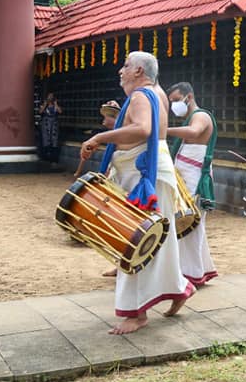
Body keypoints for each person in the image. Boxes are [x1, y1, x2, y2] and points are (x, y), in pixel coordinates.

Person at [79, 51, 193, 334]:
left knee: (134, 241)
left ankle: (137, 314)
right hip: (152, 172)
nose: (121, 70)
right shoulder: (157, 93)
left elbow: (143, 129)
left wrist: (99, 137)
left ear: (139, 70)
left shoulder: (142, 95)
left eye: (126, 66)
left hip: (144, 175)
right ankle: (178, 289)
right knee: (158, 241)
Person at [166, 82, 219, 289]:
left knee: (190, 224)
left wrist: (164, 129)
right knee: (189, 225)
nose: (174, 105)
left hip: (195, 178)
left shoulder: (201, 115)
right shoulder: (190, 117)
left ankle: (191, 275)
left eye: (176, 100)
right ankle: (198, 270)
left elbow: (195, 132)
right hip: (185, 176)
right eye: (171, 102)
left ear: (189, 97)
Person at [38, 92, 62, 165]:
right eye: (49, 96)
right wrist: (45, 104)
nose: (50, 98)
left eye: (51, 96)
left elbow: (60, 111)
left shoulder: (55, 106)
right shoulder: (44, 105)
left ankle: (53, 159)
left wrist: (56, 104)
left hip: (54, 125)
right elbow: (40, 112)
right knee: (45, 140)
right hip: (46, 124)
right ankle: (45, 157)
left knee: (54, 141)